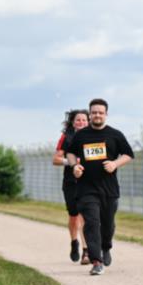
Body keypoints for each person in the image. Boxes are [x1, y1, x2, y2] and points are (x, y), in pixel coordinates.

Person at [65, 98, 133, 276]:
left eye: (100, 112)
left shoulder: (115, 134)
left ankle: (106, 247)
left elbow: (128, 154)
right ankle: (96, 261)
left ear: (106, 114)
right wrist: (75, 167)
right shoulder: (81, 135)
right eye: (94, 112)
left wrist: (115, 164)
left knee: (108, 225)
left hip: (109, 189)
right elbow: (70, 153)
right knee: (92, 223)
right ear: (90, 114)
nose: (97, 115)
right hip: (87, 188)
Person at [53, 109, 90, 263]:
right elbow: (56, 160)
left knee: (84, 217)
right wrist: (72, 162)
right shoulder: (66, 137)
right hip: (70, 182)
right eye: (78, 120)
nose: (81, 122)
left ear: (88, 122)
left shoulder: (93, 137)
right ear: (72, 122)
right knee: (74, 217)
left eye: (84, 120)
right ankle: (74, 242)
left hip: (87, 182)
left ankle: (86, 251)